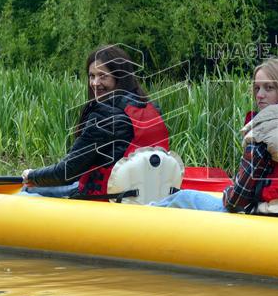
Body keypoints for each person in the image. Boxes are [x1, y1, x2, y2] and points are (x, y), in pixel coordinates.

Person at [152, 58, 278, 215]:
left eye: (269, 88)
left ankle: (141, 216)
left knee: (183, 197)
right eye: (257, 88)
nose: (259, 95)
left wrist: (228, 194)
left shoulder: (266, 129)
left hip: (270, 215)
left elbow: (236, 201)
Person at [21, 45, 169, 198]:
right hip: (145, 194)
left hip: (105, 197)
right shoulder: (151, 108)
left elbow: (66, 172)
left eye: (103, 76)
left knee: (27, 190)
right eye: (92, 76)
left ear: (119, 78)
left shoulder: (105, 117)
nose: (95, 83)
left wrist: (32, 175)